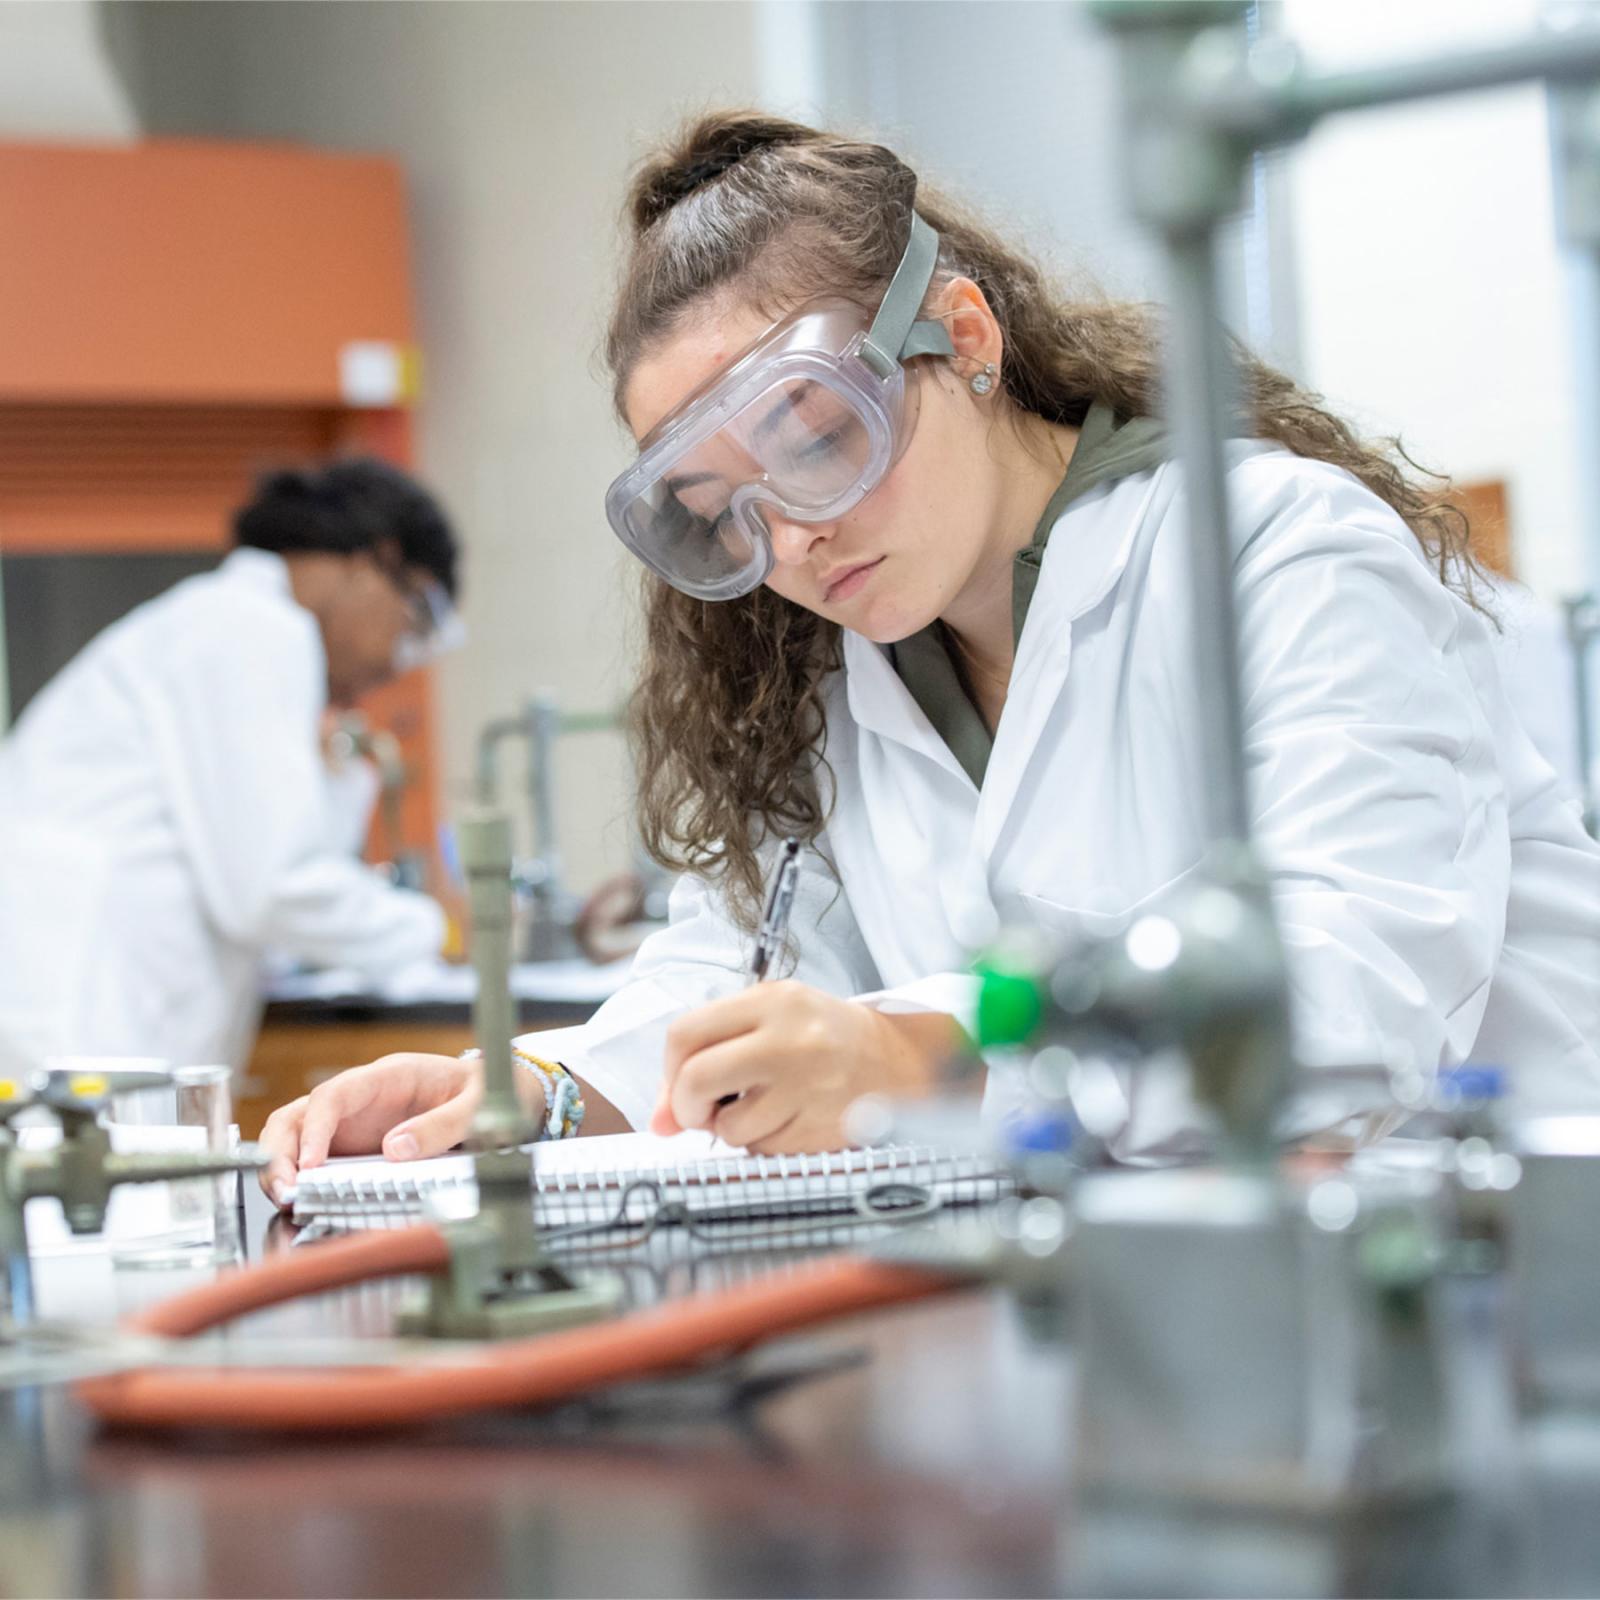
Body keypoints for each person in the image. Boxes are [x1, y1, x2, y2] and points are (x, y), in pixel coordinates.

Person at [257, 113, 1600, 1203]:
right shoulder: (848, 673)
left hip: (1489, 1278)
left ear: (962, 336)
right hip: (1145, 1327)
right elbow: (731, 974)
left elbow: (1345, 999)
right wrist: (531, 1093)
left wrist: (924, 1048)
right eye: (721, 509)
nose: (788, 538)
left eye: (815, 434)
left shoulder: (1278, 552)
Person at [0, 457, 459, 1074]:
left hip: (96, 1015)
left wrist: (336, 770)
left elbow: (268, 874)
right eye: (418, 617)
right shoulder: (252, 628)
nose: (403, 659)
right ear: (372, 562)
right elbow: (273, 890)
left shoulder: (224, 627)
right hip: (80, 1017)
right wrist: (445, 933)